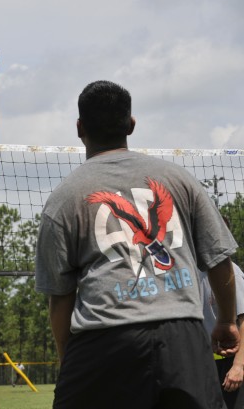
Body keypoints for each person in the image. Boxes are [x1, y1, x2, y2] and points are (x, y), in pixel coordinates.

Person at [34, 80, 240, 409]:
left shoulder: (63, 198)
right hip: (182, 337)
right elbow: (219, 260)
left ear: (79, 128)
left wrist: (68, 359)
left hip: (104, 339)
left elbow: (60, 299)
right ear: (131, 124)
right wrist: (227, 321)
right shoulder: (180, 179)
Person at [201, 217, 244, 409]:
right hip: (201, 365)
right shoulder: (188, 272)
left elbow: (243, 321)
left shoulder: (230, 272)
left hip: (228, 366)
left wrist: (238, 367)